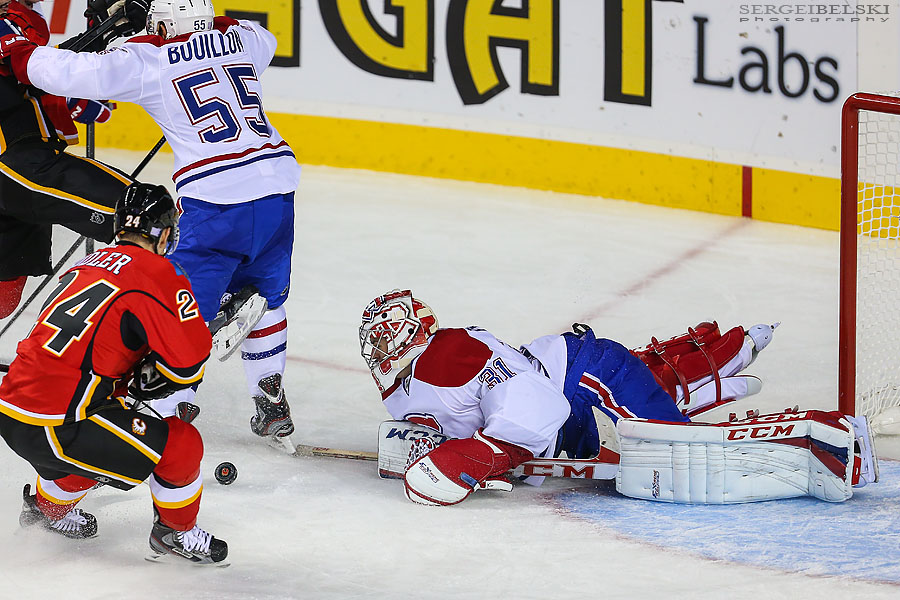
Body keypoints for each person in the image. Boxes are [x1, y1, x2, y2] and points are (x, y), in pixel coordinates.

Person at [0, 0, 302, 442]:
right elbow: (258, 33)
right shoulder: (245, 42)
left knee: (178, 307)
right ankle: (270, 399)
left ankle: (170, 407)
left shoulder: (148, 58)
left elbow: (64, 72)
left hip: (217, 199)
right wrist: (205, 27)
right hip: (278, 185)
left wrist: (20, 53)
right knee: (267, 294)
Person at [358, 289, 880, 506]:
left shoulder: (448, 355)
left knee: (678, 457)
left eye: (388, 337)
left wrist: (488, 454)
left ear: (415, 332)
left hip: (586, 376)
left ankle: (829, 436)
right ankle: (690, 377)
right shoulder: (407, 384)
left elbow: (536, 408)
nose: (381, 350)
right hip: (569, 393)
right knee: (650, 437)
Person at [0, 183, 227, 564]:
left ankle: (47, 510)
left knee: (101, 442)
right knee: (182, 443)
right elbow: (187, 365)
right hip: (61, 426)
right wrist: (154, 372)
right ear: (166, 232)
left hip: (14, 411)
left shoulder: (84, 267)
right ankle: (176, 531)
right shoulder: (157, 272)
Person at [0, 0, 140, 318]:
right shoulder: (10, 27)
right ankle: (193, 304)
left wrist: (103, 32)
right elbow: (34, 67)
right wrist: (104, 32)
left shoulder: (15, 27)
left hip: (18, 170)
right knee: (144, 213)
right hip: (20, 169)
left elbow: (38, 69)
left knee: (3, 297)